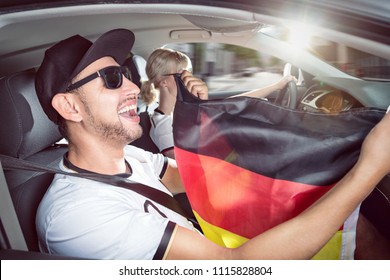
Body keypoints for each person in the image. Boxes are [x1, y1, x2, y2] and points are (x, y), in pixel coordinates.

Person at [34, 28, 390, 260]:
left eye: (125, 74)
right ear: (70, 106)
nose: (131, 88)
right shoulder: (75, 214)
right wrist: (368, 170)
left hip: (215, 242)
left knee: (354, 227)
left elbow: (209, 173)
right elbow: (235, 267)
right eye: (112, 79)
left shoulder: (130, 158)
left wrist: (203, 116)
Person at [140, 48, 295, 158]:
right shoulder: (163, 127)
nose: (189, 78)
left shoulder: (180, 110)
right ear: (164, 82)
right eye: (182, 74)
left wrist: (276, 86)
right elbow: (191, 165)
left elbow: (232, 102)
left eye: (190, 72)